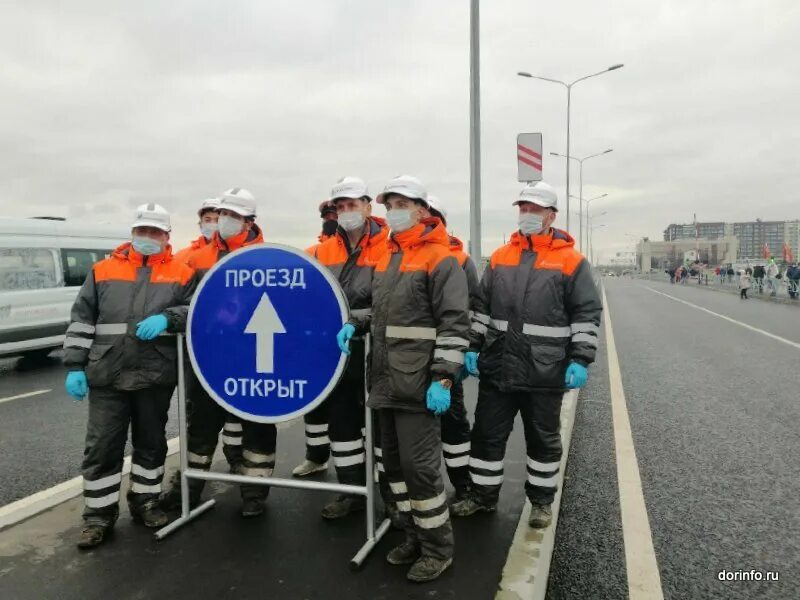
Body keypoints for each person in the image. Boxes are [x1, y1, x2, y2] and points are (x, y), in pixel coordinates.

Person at [338, 175, 469, 582]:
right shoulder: (386, 257)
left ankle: (437, 548)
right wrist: (355, 323)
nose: (393, 210)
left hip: (417, 385)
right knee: (392, 467)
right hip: (382, 382)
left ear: (422, 211)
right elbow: (382, 313)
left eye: (401, 203)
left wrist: (443, 379)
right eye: (389, 203)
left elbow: (453, 325)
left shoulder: (440, 257)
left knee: (420, 470)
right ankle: (413, 534)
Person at [452, 181, 602, 530]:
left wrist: (581, 359)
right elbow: (481, 311)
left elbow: (585, 315)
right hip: (499, 368)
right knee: (487, 437)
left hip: (544, 372)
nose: (528, 215)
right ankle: (482, 497)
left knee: (543, 440)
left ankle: (541, 503)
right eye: (523, 208)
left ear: (551, 215)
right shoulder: (501, 257)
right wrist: (473, 347)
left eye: (535, 209)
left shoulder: (572, 262)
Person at [63, 204, 196, 549]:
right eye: (142, 231)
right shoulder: (103, 270)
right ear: (133, 233)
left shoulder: (182, 272)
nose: (148, 238)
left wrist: (169, 317)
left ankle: (145, 503)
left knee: (151, 445)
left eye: (155, 232)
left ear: (167, 236)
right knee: (102, 448)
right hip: (107, 373)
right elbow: (81, 320)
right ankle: (97, 517)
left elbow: (196, 307)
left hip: (155, 373)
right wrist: (75, 366)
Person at [162, 188, 276, 518]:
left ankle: (254, 493)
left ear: (249, 221)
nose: (224, 221)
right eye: (221, 214)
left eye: (232, 216)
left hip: (255, 358)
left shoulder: (267, 257)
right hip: (208, 357)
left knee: (257, 426)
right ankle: (189, 489)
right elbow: (181, 302)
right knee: (201, 425)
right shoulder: (195, 258)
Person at [296, 176, 390, 518]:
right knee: (343, 425)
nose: (347, 211)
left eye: (353, 204)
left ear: (368, 206)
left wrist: (355, 319)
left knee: (383, 427)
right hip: (338, 356)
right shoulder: (319, 251)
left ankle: (393, 498)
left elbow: (393, 300)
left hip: (380, 353)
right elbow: (298, 291)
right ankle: (351, 491)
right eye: (341, 206)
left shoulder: (391, 247)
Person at [424, 195, 479, 502]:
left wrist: (467, 349)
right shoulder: (405, 255)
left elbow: (471, 309)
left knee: (453, 422)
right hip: (411, 358)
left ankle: (462, 482)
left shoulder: (460, 260)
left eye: (431, 216)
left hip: (448, 355)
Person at [293, 200, 340, 478]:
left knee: (353, 411)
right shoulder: (312, 253)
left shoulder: (369, 252)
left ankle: (364, 467)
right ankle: (316, 457)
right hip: (316, 344)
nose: (332, 219)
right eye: (329, 215)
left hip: (352, 343)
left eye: (335, 214)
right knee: (315, 407)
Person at [173, 199, 220, 264]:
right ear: (200, 224)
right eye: (207, 220)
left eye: (217, 220)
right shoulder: (181, 256)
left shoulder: (233, 254)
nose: (212, 224)